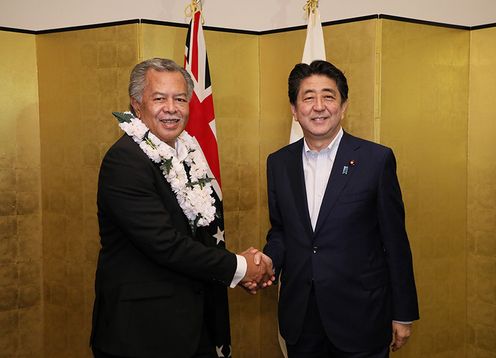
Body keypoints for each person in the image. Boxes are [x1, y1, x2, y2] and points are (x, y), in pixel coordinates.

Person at [90, 58, 273, 358]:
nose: (171, 108)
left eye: (180, 99)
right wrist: (240, 268)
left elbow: (198, 236)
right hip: (141, 334)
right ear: (136, 105)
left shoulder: (186, 154)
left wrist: (238, 272)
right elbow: (164, 244)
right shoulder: (125, 161)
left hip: (193, 325)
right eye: (159, 98)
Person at [262, 60, 419, 357]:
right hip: (301, 319)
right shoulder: (278, 163)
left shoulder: (376, 160)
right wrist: (265, 262)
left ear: (343, 106)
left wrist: (403, 312)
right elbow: (282, 231)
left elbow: (395, 242)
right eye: (308, 97)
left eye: (329, 96)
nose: (318, 106)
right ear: (294, 111)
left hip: (361, 317)